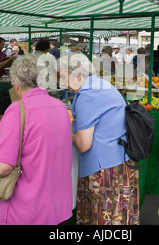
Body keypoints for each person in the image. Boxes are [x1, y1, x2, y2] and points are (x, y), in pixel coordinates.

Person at [0, 54, 73, 225]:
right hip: (57, 205)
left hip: (28, 210)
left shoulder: (17, 110)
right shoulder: (60, 107)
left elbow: (2, 168)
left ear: (16, 83)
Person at [59, 53, 139, 225]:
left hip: (104, 172)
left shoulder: (88, 95)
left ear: (78, 76)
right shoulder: (102, 84)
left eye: (64, 77)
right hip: (120, 163)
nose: (63, 84)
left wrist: (65, 131)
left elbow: (83, 144)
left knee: (101, 218)